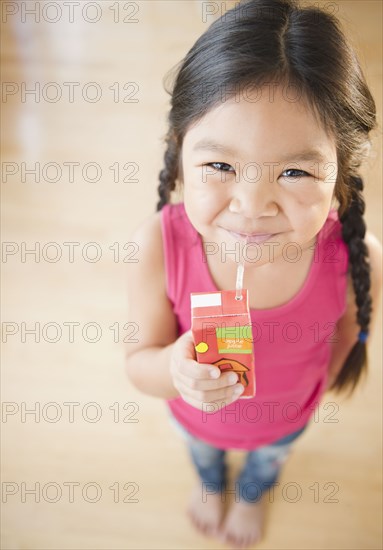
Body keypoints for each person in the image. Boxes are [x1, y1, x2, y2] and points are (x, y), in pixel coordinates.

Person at [125, 0, 382, 547]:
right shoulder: (159, 244)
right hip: (196, 422)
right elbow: (137, 364)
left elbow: (344, 338)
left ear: (342, 172)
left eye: (294, 170)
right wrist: (175, 367)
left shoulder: (357, 256)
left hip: (286, 421)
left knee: (268, 463)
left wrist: (309, 390)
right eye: (220, 165)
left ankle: (253, 491)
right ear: (179, 152)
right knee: (203, 459)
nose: (252, 205)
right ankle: (214, 486)